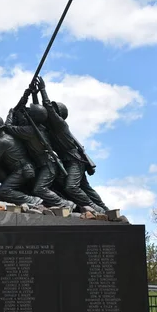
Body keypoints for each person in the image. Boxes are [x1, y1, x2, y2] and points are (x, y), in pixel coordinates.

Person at [35, 77, 111, 215]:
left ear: (58, 114)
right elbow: (39, 113)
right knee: (86, 188)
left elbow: (47, 108)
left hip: (74, 160)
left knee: (71, 187)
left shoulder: (60, 125)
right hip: (68, 161)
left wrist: (42, 90)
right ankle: (106, 210)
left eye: (53, 110)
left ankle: (98, 210)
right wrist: (34, 93)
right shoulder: (50, 127)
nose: (49, 112)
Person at [5, 89, 75, 209]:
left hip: (48, 164)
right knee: (40, 187)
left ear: (32, 117)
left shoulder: (30, 131)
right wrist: (30, 94)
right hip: (46, 163)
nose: (26, 111)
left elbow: (8, 127)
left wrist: (10, 114)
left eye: (29, 112)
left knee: (40, 188)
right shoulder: (41, 126)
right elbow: (36, 111)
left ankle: (66, 204)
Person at [0, 115, 43, 206]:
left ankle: (32, 200)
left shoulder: (0, 142)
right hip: (26, 168)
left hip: (22, 170)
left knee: (4, 191)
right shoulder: (10, 137)